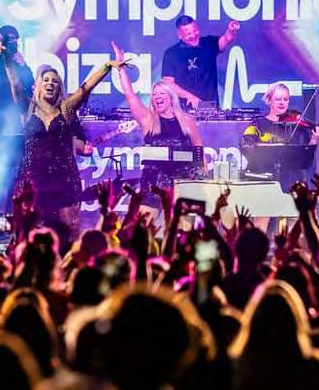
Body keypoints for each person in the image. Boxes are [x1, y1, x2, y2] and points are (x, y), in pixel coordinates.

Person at [14, 54, 126, 240]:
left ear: (59, 88)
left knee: (69, 234)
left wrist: (107, 66)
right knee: (30, 235)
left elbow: (86, 88)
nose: (50, 83)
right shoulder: (27, 109)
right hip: (34, 180)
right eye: (46, 80)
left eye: (55, 81)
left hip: (64, 180)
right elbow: (16, 85)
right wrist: (5, 56)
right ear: (38, 85)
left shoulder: (65, 109)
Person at [112, 42, 202, 206]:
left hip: (182, 183)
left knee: (182, 222)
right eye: (154, 94)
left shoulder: (187, 120)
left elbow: (198, 149)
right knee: (145, 221)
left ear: (171, 98)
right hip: (152, 183)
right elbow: (130, 95)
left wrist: (198, 180)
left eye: (161, 93)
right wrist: (121, 68)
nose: (157, 97)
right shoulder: (148, 119)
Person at [242, 82, 319, 185]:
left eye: (285, 99)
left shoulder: (297, 126)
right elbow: (247, 147)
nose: (282, 103)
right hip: (264, 182)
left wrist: (314, 139)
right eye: (278, 99)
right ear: (269, 100)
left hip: (291, 183)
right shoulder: (257, 125)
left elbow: (306, 160)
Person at [161, 15, 240, 109]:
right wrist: (188, 96)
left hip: (209, 107)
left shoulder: (208, 43)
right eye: (188, 34)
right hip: (183, 109)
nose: (193, 35)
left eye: (195, 31)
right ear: (180, 35)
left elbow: (226, 39)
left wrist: (230, 30)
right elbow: (168, 83)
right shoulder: (171, 53)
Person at [0, 25, 34, 212]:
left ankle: (12, 214)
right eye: (9, 41)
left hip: (17, 127)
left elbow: (30, 87)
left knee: (16, 173)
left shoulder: (19, 63)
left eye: (16, 41)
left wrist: (23, 65)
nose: (13, 45)